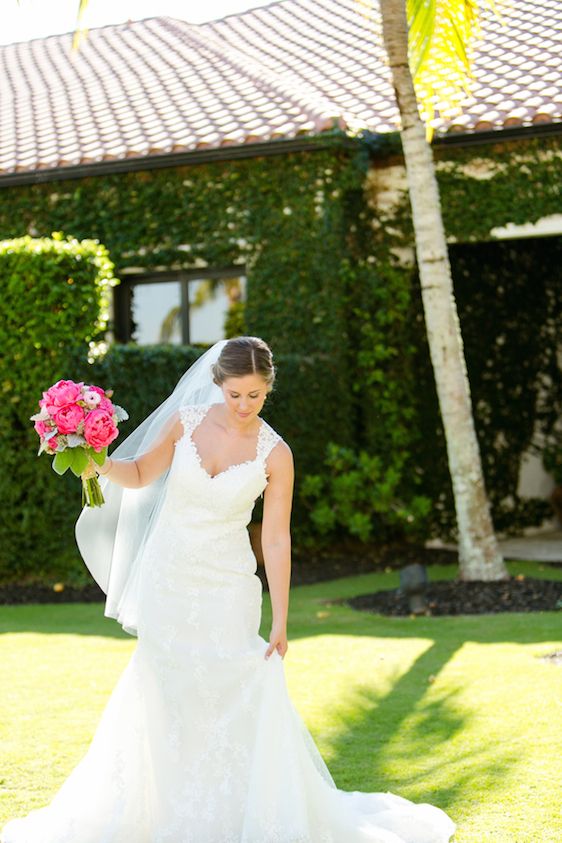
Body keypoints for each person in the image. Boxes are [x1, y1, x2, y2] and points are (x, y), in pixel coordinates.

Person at [1, 336, 456, 843]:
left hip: (227, 586)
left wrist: (282, 617)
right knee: (164, 691)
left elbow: (278, 537)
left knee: (234, 688)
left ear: (268, 390)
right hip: (167, 579)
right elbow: (138, 474)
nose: (243, 406)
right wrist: (96, 462)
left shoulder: (276, 453)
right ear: (219, 385)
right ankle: (161, 810)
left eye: (255, 396)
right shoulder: (188, 422)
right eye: (235, 394)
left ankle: (234, 809)